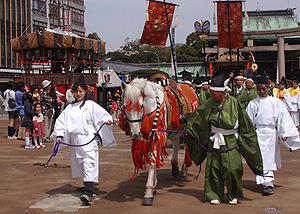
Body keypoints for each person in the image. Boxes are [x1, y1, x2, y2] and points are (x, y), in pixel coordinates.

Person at [184, 66, 263, 205]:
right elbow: (198, 119)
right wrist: (190, 129)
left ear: (223, 93)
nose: (212, 95)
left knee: (234, 168)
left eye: (215, 93)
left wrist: (247, 140)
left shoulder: (234, 103)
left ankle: (233, 194)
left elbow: (245, 124)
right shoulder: (209, 103)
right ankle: (214, 194)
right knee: (214, 169)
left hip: (231, 139)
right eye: (211, 93)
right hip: (214, 138)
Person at [51, 75, 116, 206]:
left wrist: (107, 121)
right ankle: (89, 184)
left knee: (88, 163)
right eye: (76, 91)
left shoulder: (91, 105)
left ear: (85, 91)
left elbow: (102, 116)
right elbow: (60, 123)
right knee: (81, 164)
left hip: (88, 140)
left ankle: (88, 192)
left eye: (80, 91)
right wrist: (59, 135)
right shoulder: (70, 108)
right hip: (75, 142)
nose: (78, 94)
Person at [246, 72, 300, 195]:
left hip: (271, 134)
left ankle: (268, 183)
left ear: (268, 88)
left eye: (263, 88)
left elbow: (283, 118)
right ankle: (264, 182)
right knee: (260, 159)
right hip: (258, 134)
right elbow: (248, 121)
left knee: (269, 159)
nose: (261, 91)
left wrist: (284, 133)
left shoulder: (276, 102)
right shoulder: (253, 103)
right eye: (259, 89)